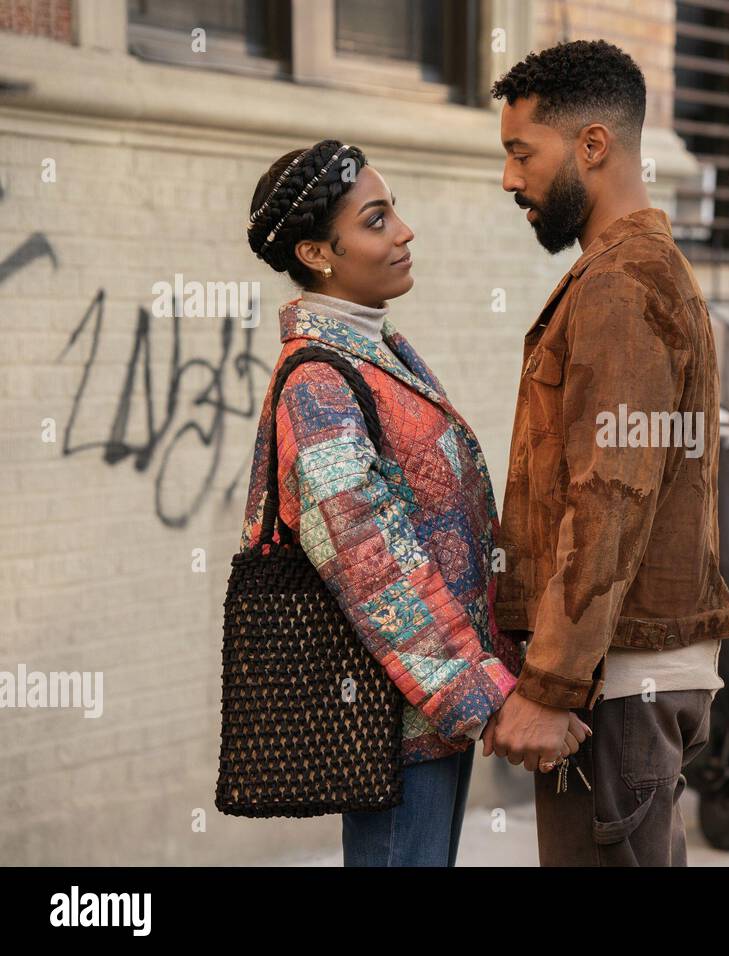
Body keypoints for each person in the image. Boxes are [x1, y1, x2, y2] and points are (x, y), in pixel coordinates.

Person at [238, 138, 589, 866]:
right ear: (316, 252)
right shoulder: (319, 384)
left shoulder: (378, 352)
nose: (404, 231)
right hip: (393, 720)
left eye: (393, 210)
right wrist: (489, 697)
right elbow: (375, 567)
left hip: (426, 712)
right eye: (376, 219)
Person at [484, 41, 729, 866]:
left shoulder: (625, 285)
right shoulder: (633, 272)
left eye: (522, 153)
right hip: (619, 673)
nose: (509, 180)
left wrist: (550, 686)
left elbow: (611, 499)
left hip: (613, 683)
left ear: (592, 146)